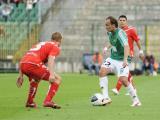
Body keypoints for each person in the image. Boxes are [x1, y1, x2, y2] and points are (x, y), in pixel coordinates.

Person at [99, 16, 141, 106]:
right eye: (105, 25)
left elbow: (126, 46)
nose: (106, 27)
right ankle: (106, 97)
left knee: (124, 80)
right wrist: (106, 47)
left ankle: (136, 100)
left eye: (108, 25)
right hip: (113, 58)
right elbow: (112, 42)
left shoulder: (120, 33)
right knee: (102, 71)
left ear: (113, 25)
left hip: (123, 59)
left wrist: (125, 60)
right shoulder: (110, 33)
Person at [16, 32, 62, 109]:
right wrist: (51, 74)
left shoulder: (42, 43)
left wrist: (21, 75)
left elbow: (26, 57)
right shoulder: (55, 46)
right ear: (60, 41)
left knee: (36, 79)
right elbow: (51, 59)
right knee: (57, 79)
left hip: (23, 64)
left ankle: (30, 102)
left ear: (51, 39)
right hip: (33, 64)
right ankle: (48, 101)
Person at [111, 15, 144, 95]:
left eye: (123, 20)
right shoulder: (116, 31)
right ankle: (133, 89)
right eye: (120, 20)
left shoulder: (131, 30)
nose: (122, 22)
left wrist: (141, 51)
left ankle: (117, 89)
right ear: (118, 21)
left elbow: (137, 40)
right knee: (126, 73)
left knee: (122, 70)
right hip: (119, 54)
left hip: (128, 54)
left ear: (126, 21)